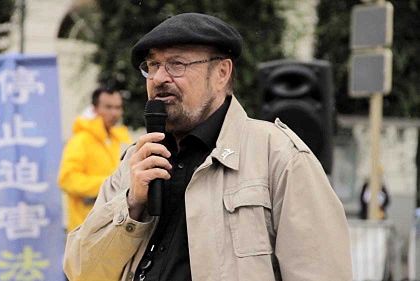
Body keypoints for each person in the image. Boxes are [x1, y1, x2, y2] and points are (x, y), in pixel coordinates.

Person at [63, 13, 352, 281]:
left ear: (222, 73)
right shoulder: (136, 161)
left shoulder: (278, 155)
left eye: (176, 64)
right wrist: (131, 205)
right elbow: (82, 271)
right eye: (152, 66)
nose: (159, 78)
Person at [57, 87, 131, 232]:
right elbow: (66, 179)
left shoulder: (119, 139)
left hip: (113, 225)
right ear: (95, 109)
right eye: (108, 107)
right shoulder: (81, 140)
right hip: (85, 227)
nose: (114, 113)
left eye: (118, 107)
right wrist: (111, 185)